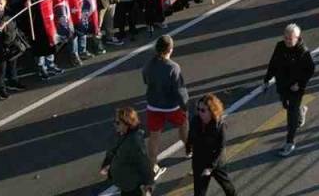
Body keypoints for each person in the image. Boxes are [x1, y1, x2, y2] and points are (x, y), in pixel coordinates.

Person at [263, 23, 316, 157]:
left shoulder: (303, 51)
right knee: (286, 105)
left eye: (290, 39)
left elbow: (310, 70)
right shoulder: (280, 46)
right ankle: (301, 110)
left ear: (297, 38)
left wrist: (300, 84)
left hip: (295, 88)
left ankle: (290, 142)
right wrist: (267, 79)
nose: (287, 41)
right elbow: (273, 63)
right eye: (285, 37)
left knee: (291, 115)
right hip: (282, 84)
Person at [142, 35, 189, 172]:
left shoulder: (149, 65)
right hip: (171, 107)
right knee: (184, 124)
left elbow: (145, 79)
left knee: (154, 136)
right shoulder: (173, 67)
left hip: (153, 105)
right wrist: (184, 106)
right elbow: (180, 90)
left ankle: (152, 166)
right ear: (170, 50)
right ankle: (189, 149)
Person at [186, 95, 237, 196]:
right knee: (199, 192)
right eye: (198, 109)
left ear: (212, 111)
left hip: (215, 161)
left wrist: (211, 167)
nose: (200, 112)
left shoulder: (219, 125)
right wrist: (188, 146)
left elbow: (220, 147)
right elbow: (191, 134)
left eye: (203, 110)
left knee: (227, 186)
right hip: (199, 160)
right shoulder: (195, 121)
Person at [100, 107, 155, 196]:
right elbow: (113, 151)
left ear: (127, 123)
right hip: (125, 182)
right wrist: (106, 164)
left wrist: (148, 184)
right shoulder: (121, 135)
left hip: (130, 185)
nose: (115, 124)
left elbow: (143, 164)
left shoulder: (135, 143)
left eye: (118, 123)